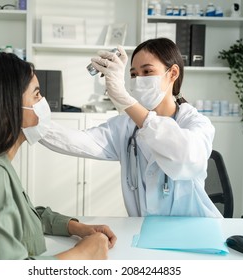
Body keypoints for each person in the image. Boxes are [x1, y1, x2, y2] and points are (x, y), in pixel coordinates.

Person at [0, 51, 116, 260]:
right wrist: (84, 253)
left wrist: (76, 227)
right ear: (7, 108)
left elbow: (22, 215)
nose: (43, 101)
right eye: (36, 94)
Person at [38, 38, 222, 218]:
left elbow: (184, 158)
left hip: (194, 232)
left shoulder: (196, 123)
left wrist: (125, 99)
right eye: (133, 74)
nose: (138, 80)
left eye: (147, 71)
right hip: (145, 233)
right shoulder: (125, 127)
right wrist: (32, 118)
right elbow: (74, 142)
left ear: (173, 73)